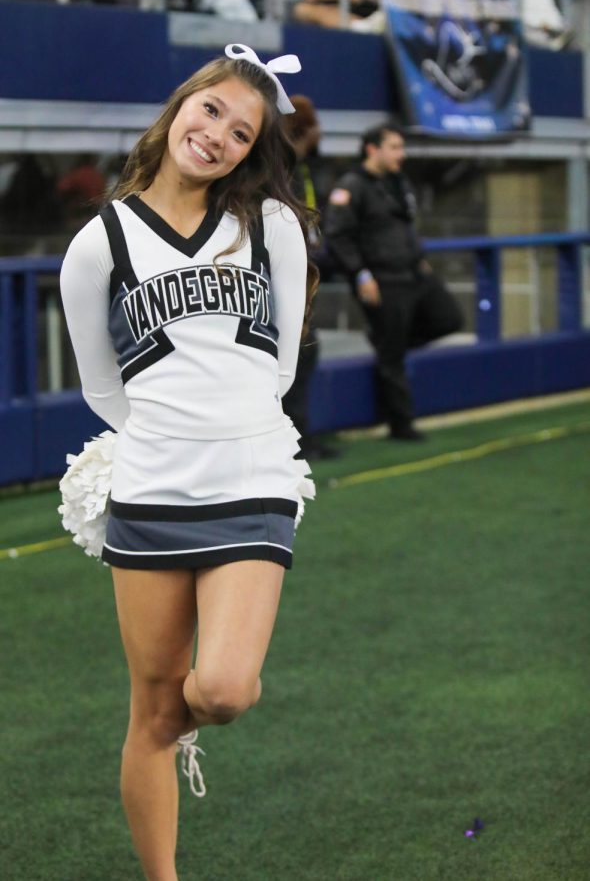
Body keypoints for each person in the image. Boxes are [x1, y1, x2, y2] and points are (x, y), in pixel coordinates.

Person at [60, 43, 317, 881]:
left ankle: (198, 716)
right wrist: (173, 433)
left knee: (223, 691)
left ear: (251, 149)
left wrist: (228, 424)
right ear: (181, 107)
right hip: (154, 487)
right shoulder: (98, 244)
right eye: (210, 112)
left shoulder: (270, 224)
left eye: (242, 132)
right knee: (152, 715)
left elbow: (280, 365)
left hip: (252, 479)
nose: (218, 136)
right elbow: (103, 388)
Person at [324, 121, 463, 441]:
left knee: (449, 318)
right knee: (393, 357)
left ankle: (388, 342)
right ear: (373, 149)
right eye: (396, 147)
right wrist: (361, 275)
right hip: (382, 280)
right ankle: (401, 424)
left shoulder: (398, 182)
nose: (402, 154)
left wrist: (418, 258)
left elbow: (404, 226)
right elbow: (339, 237)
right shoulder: (352, 186)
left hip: (413, 272)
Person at [281, 94, 339, 460]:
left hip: (304, 273)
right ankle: (293, 440)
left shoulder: (303, 168)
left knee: (305, 353)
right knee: (297, 354)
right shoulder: (280, 168)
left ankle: (300, 435)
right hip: (283, 277)